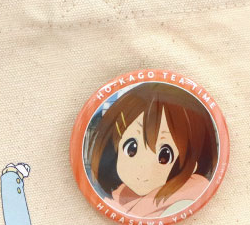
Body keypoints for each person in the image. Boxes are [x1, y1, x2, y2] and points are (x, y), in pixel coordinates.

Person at [89, 83, 218, 218]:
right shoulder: (120, 198)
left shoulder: (179, 204)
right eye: (132, 148)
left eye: (164, 156)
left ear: (189, 165)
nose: (141, 167)